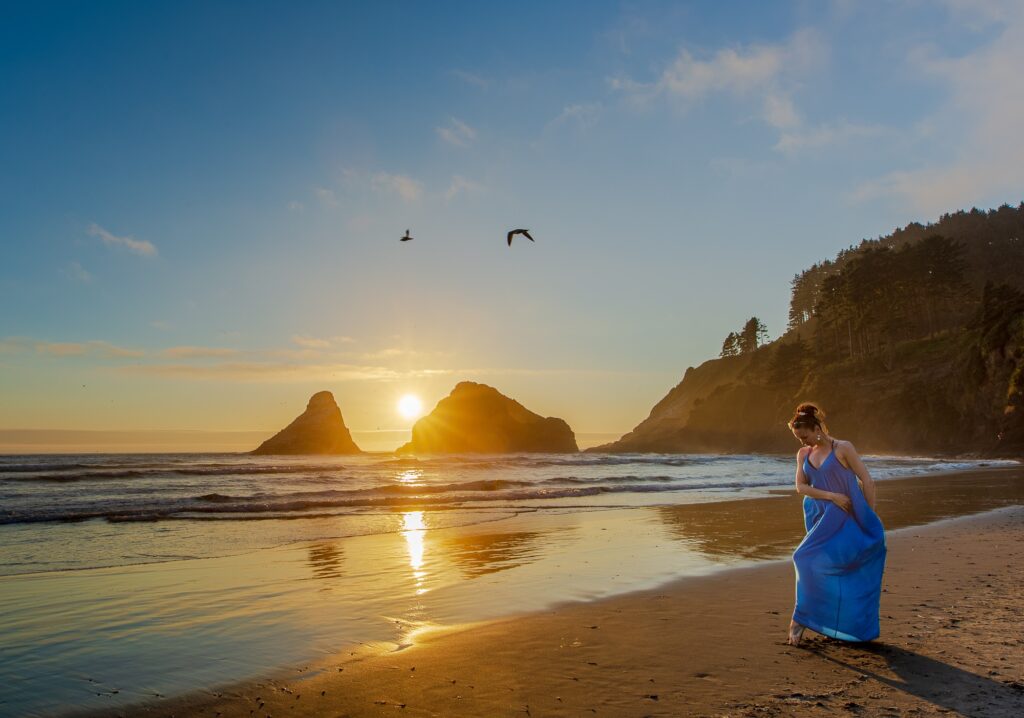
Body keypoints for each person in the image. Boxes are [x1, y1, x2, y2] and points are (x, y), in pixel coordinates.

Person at [786, 402, 886, 646]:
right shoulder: (804, 455)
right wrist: (831, 496)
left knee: (813, 559)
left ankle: (801, 620)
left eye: (805, 436)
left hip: (846, 516)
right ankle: (817, 619)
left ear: (817, 428)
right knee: (811, 561)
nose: (803, 442)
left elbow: (867, 480)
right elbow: (801, 487)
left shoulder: (843, 448)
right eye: (799, 438)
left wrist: (868, 518)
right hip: (820, 516)